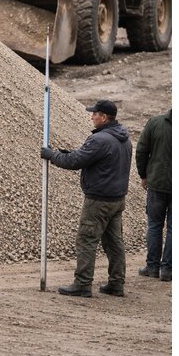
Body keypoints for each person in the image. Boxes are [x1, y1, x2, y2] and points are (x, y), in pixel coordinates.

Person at [41, 100, 132, 298]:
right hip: (117, 198)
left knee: (86, 239)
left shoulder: (100, 140)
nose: (92, 117)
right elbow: (89, 158)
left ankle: (82, 283)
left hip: (99, 200)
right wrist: (63, 154)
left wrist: (51, 155)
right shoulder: (124, 137)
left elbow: (75, 161)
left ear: (104, 117)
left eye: (95, 114)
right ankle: (116, 283)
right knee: (114, 242)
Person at [135, 109, 172, 281]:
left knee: (155, 225)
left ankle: (152, 267)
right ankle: (168, 270)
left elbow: (141, 150)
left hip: (156, 182)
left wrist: (143, 175)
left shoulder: (155, 122)